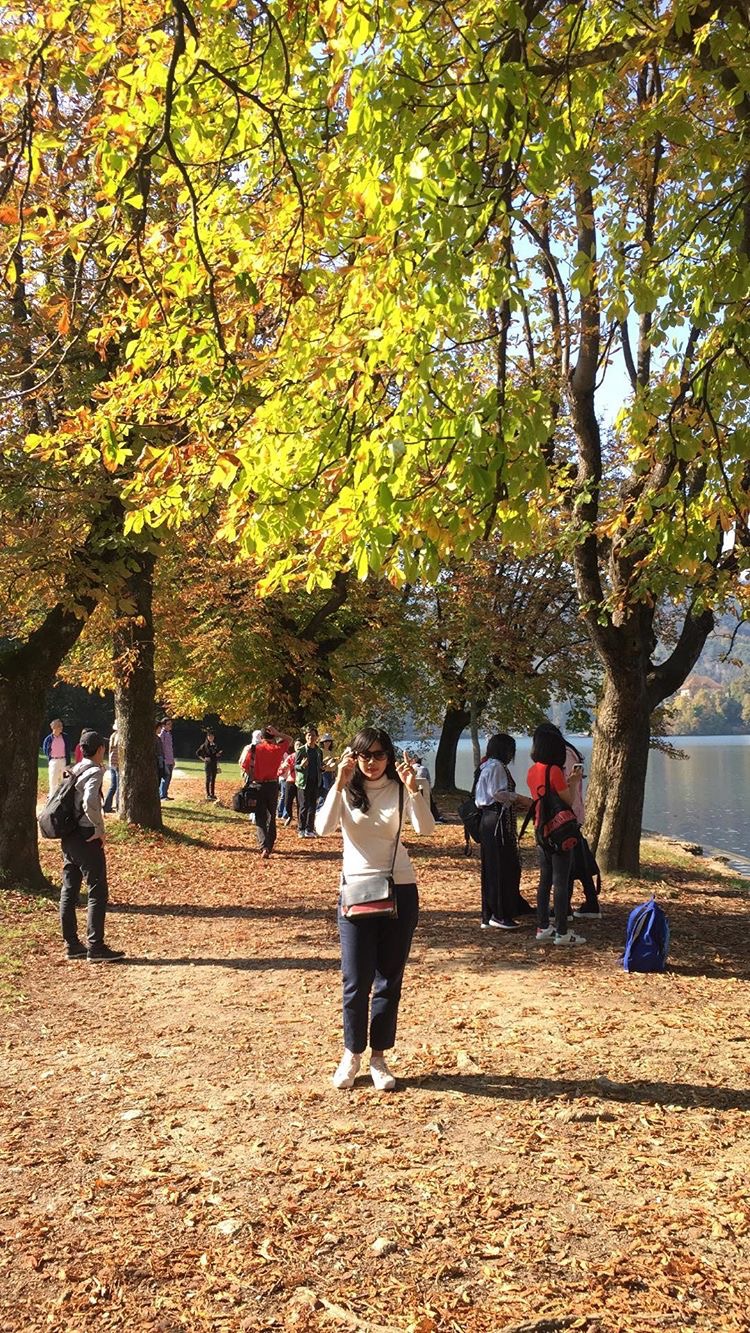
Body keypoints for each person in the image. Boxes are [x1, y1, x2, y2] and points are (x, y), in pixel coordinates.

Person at [316, 728, 435, 1091]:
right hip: (355, 893)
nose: (372, 762)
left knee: (389, 979)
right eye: (365, 755)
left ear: (390, 756)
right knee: (355, 980)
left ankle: (379, 1057)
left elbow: (426, 830)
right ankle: (352, 1054)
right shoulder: (347, 789)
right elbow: (321, 829)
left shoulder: (402, 788)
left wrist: (414, 790)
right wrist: (339, 783)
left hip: (399, 888)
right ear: (353, 756)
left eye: (379, 755)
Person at [59, 729, 125, 963]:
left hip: (68, 837)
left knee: (69, 890)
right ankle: (96, 946)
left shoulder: (73, 769)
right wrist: (99, 829)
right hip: (86, 836)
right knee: (97, 890)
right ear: (100, 750)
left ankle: (72, 945)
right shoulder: (95, 771)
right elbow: (89, 801)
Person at [527, 726, 585, 946]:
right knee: (561, 880)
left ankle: (543, 925)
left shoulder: (532, 771)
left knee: (545, 879)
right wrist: (574, 781)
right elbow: (568, 801)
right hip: (560, 830)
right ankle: (562, 931)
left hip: (540, 828)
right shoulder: (554, 771)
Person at [475, 733, 533, 930]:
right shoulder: (497, 766)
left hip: (490, 819)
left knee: (493, 867)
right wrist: (520, 799)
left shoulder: (487, 765)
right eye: (511, 750)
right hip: (496, 820)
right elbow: (498, 794)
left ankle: (490, 913)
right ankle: (499, 914)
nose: (512, 755)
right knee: (501, 866)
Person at [242, 724, 292, 857]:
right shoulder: (277, 749)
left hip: (258, 784)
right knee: (272, 815)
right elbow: (289, 740)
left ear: (261, 736)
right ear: (273, 736)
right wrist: (278, 732)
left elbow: (245, 767)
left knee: (260, 816)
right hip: (272, 785)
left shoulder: (254, 749)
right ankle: (269, 845)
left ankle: (263, 845)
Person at [296, 726, 323, 838]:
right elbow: (295, 766)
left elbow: (320, 765)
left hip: (315, 781)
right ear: (306, 737)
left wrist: (323, 767)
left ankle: (310, 829)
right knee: (303, 806)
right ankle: (301, 829)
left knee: (313, 806)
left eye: (313, 735)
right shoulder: (301, 750)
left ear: (317, 737)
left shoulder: (318, 751)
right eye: (308, 735)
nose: (311, 737)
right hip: (303, 782)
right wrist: (301, 766)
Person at [42, 719, 70, 796]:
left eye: (61, 726)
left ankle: (64, 796)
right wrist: (50, 757)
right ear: (54, 728)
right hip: (54, 760)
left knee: (65, 780)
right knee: (53, 780)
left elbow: (68, 749)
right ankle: (52, 796)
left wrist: (68, 762)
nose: (61, 727)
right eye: (59, 726)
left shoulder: (65, 737)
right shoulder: (48, 739)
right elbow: (45, 749)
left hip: (64, 760)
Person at [196, 729, 222, 801]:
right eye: (210, 736)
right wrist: (204, 759)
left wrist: (219, 754)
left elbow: (217, 754)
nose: (211, 738)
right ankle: (208, 794)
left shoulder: (215, 745)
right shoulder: (204, 745)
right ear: (207, 737)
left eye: (212, 736)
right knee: (208, 779)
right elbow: (198, 753)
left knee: (213, 779)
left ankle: (212, 794)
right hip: (208, 764)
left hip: (214, 763)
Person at [277, 743, 298, 825]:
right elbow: (281, 768)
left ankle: (301, 820)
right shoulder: (291, 757)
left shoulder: (305, 757)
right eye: (296, 745)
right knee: (287, 801)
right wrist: (284, 767)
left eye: (300, 745)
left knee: (301, 803)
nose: (298, 747)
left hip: (301, 782)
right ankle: (289, 815)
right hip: (290, 781)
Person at [103, 725, 119, 814]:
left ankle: (107, 805)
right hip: (117, 763)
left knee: (113, 786)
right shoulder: (119, 737)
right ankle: (118, 806)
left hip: (112, 762)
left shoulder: (113, 735)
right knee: (118, 786)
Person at [158, 718, 175, 800]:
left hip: (170, 759)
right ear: (163, 725)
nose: (170, 726)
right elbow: (161, 747)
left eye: (171, 724)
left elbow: (170, 748)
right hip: (165, 759)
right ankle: (162, 795)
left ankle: (165, 793)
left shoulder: (169, 734)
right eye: (168, 724)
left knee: (169, 777)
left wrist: (172, 760)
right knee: (165, 777)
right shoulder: (162, 734)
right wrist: (163, 758)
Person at [318, 734, 337, 807]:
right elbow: (319, 763)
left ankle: (327, 807)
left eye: (329, 741)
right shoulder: (320, 751)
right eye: (326, 741)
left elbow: (335, 763)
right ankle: (319, 808)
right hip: (324, 773)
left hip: (332, 773)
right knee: (325, 790)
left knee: (331, 791)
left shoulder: (332, 752)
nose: (328, 743)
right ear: (322, 742)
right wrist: (326, 761)